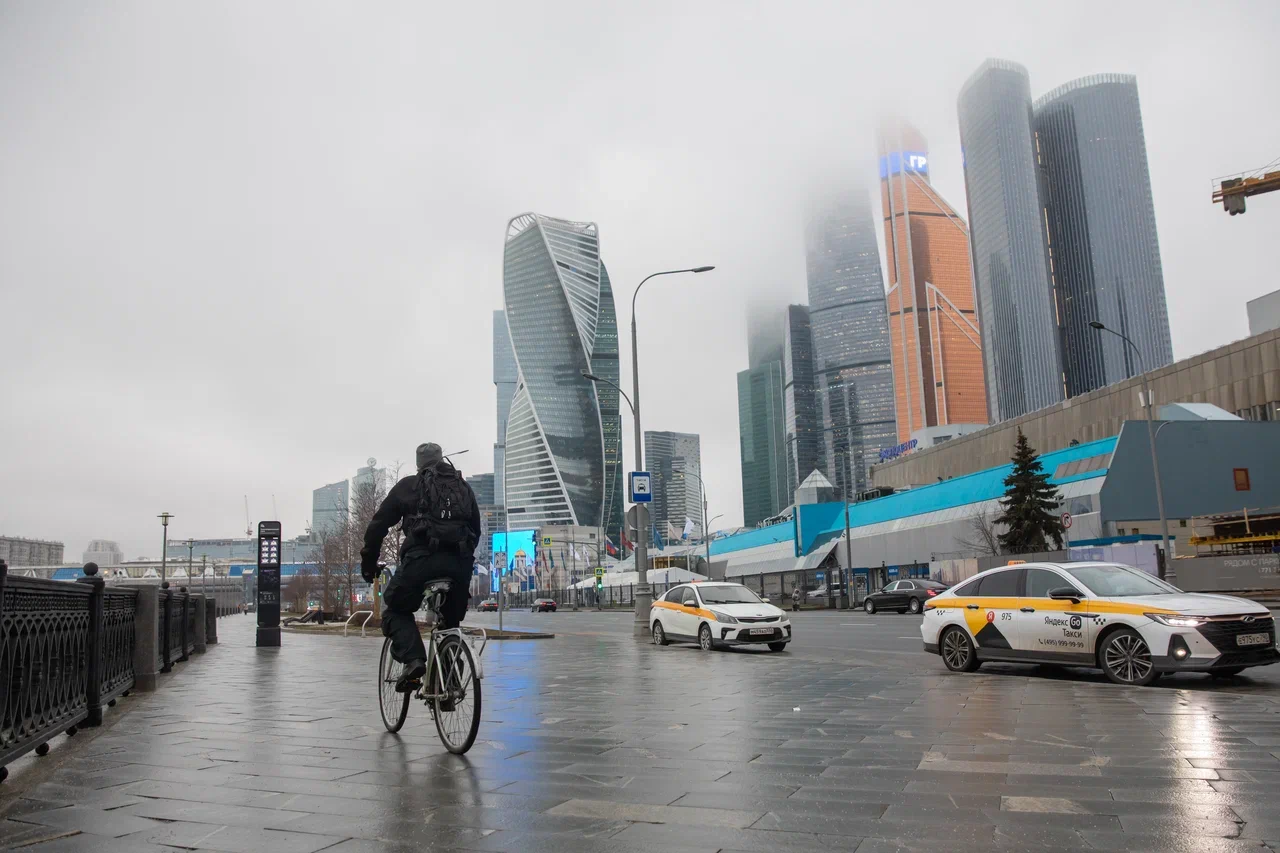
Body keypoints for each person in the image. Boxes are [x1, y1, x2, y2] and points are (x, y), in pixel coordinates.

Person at [361, 442, 481, 693]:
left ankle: (414, 660)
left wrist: (369, 563)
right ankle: (450, 683)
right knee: (449, 624)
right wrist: (462, 562)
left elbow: (377, 526)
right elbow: (476, 530)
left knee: (395, 609)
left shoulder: (409, 486)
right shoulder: (463, 487)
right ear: (442, 459)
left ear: (418, 464)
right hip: (459, 565)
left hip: (421, 562)